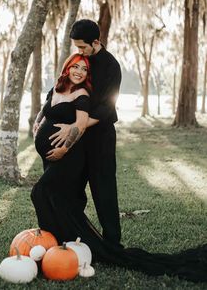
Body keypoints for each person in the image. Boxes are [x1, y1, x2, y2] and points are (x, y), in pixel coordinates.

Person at [31, 52, 207, 283]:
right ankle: (61, 242)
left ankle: (73, 245)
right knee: (57, 199)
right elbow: (47, 109)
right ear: (67, 68)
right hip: (54, 158)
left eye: (84, 69)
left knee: (40, 193)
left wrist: (65, 148)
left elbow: (81, 126)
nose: (79, 72)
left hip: (68, 157)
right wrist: (38, 121)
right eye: (75, 67)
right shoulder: (56, 88)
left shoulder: (82, 95)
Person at [49, 19, 122, 247]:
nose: (79, 51)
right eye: (76, 47)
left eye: (82, 46)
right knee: (74, 188)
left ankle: (112, 243)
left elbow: (107, 107)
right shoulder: (80, 61)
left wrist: (78, 126)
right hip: (78, 138)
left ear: (96, 42)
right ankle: (75, 237)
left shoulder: (111, 66)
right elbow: (63, 87)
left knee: (104, 190)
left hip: (101, 137)